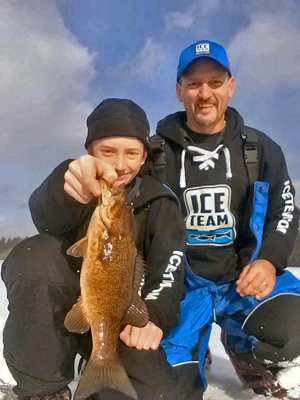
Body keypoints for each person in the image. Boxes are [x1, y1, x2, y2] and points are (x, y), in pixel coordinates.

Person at [1, 99, 187, 400]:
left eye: (131, 153)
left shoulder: (160, 203)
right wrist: (65, 191)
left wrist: (153, 315)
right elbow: (45, 218)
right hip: (62, 312)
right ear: (90, 152)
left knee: (156, 393)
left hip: (120, 320)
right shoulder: (74, 183)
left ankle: (99, 364)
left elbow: (171, 270)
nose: (120, 164)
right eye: (108, 151)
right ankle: (42, 388)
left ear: (143, 158)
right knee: (33, 255)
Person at [148, 40, 300, 399]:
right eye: (194, 83)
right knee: (163, 388)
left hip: (243, 280)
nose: (205, 93)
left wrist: (268, 259)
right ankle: (193, 352)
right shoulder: (154, 153)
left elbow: (285, 208)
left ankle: (243, 349)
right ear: (179, 90)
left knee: (295, 330)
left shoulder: (260, 149)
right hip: (181, 288)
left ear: (230, 86)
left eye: (215, 82)